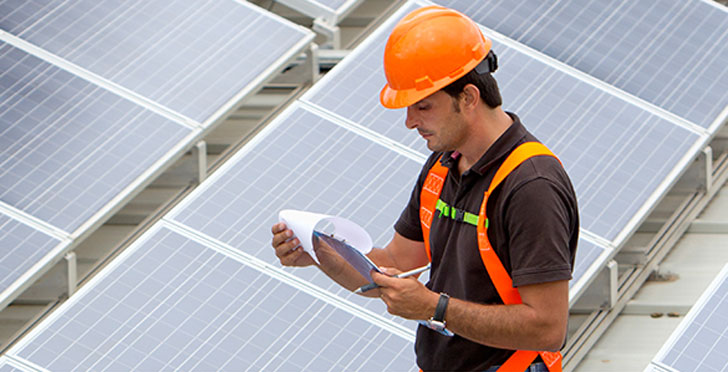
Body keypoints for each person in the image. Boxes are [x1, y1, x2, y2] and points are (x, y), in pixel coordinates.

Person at [271, 5, 579, 372]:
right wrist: (318, 253)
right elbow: (397, 265)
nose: (409, 122)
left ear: (467, 97)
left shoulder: (531, 185)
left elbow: (548, 328)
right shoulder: (444, 164)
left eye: (422, 106)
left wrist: (437, 309)